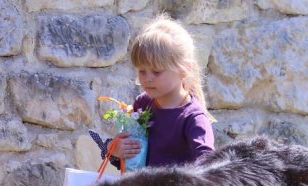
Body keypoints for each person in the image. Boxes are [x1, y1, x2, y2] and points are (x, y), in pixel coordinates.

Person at [92, 14, 215, 169]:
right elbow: (133, 159)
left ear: (184, 69)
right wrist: (115, 148)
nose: (148, 78)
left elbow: (210, 167)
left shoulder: (194, 119)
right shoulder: (142, 103)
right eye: (142, 71)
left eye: (156, 72)